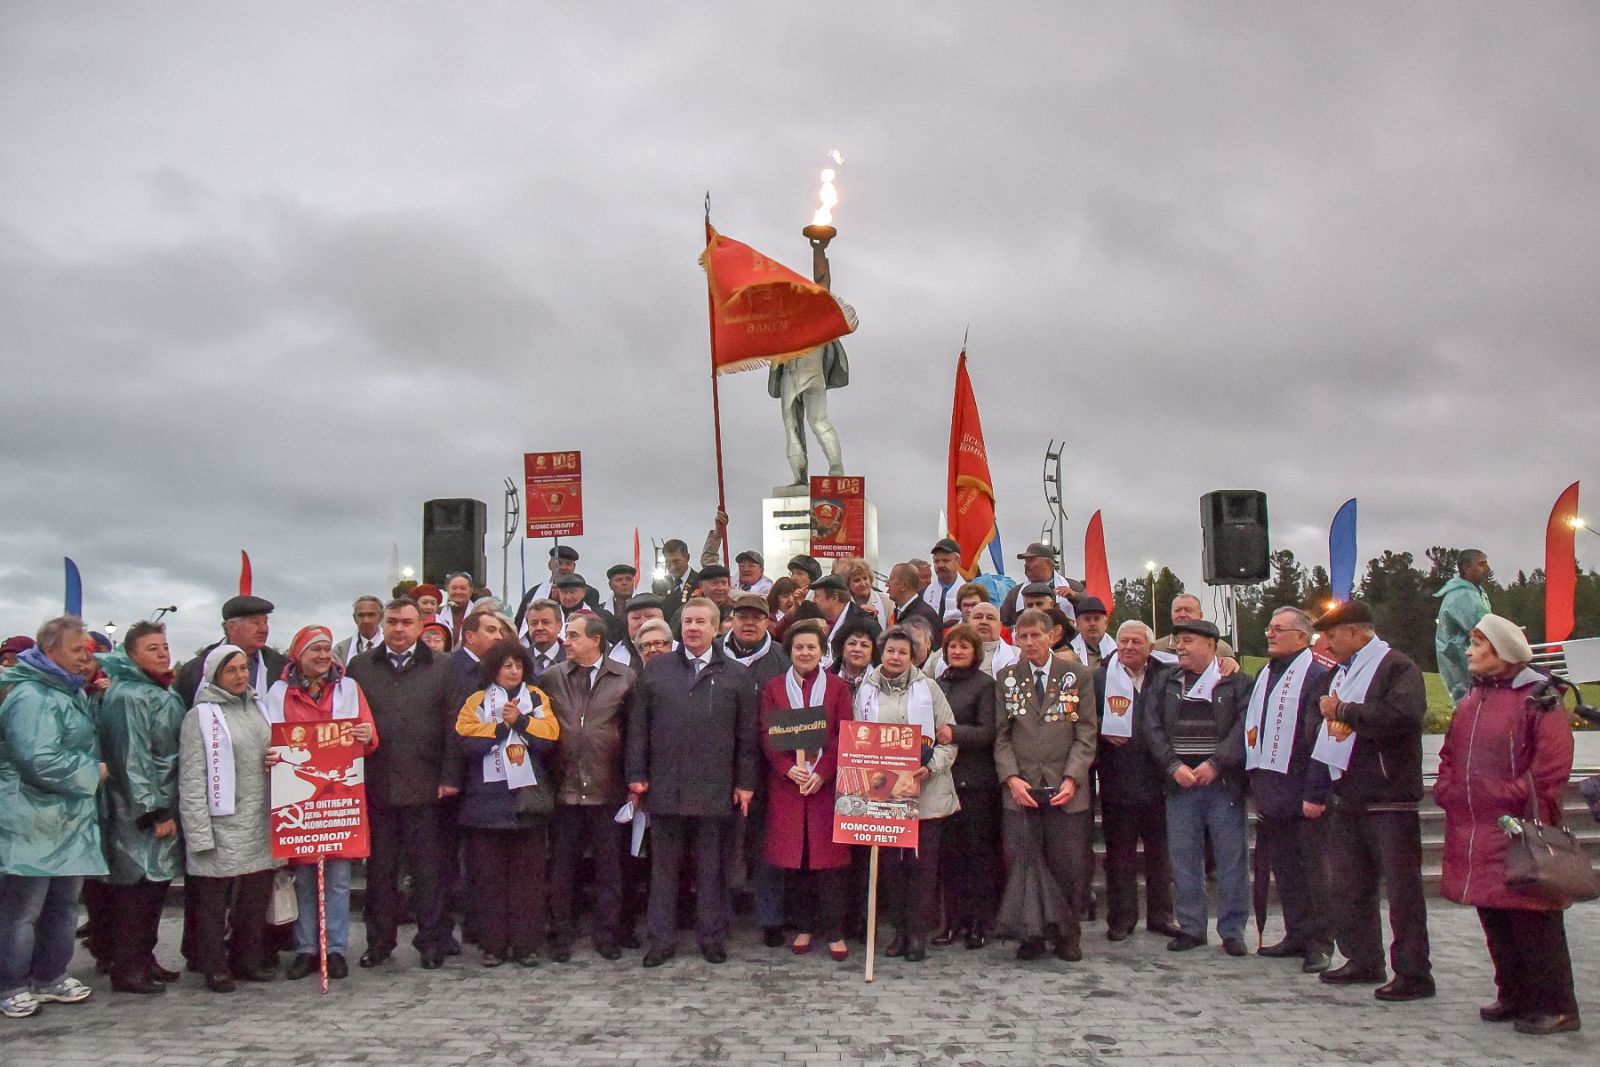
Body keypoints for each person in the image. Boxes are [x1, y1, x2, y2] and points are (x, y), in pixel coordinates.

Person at [1434, 614, 1580, 1035]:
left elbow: (1551, 767)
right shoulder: (1473, 699)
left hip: (1519, 829)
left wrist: (1510, 797)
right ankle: (1514, 994)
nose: (1469, 652)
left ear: (1502, 651)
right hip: (1477, 826)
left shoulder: (1539, 698)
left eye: (1478, 645)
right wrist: (1447, 789)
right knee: (1495, 915)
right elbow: (1449, 754)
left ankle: (1557, 1005)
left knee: (1534, 920)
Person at [1309, 599, 1434, 1001]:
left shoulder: (1396, 666)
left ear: (1356, 632)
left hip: (1389, 797)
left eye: (1332, 636)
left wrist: (1344, 709)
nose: (1327, 645)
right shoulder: (1342, 674)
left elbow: (1404, 715)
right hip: (1349, 794)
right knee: (1350, 885)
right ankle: (1363, 957)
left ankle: (1414, 972)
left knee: (1402, 892)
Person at [626, 598, 758, 967]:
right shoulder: (657, 671)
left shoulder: (736, 675)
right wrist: (636, 775)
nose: (693, 628)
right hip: (666, 786)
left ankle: (711, 936)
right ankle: (661, 940)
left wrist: (745, 782)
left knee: (712, 868)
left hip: (715, 788)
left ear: (718, 628)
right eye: (687, 622)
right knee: (663, 869)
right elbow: (638, 728)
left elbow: (746, 737)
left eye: (701, 621)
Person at [345, 598, 461, 971]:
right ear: (382, 623)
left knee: (429, 872)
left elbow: (453, 726)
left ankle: (431, 941)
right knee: (379, 874)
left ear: (419, 626)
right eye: (392, 621)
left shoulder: (442, 666)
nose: (398, 629)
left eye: (406, 622)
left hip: (426, 787)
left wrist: (449, 776)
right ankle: (379, 942)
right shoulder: (361, 667)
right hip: (377, 785)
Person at [260, 626, 379, 982]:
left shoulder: (349, 689)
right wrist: (266, 756)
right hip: (299, 799)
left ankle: (336, 947)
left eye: (327, 649)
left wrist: (366, 735)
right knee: (306, 878)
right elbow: (266, 737)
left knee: (339, 878)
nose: (324, 655)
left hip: (338, 797)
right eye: (316, 650)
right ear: (299, 654)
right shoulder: (278, 693)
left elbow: (370, 736)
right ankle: (307, 947)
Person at [0, 617, 104, 1017]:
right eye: (77, 650)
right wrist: (91, 772)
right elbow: (36, 759)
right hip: (29, 820)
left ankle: (50, 976)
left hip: (66, 822)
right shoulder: (31, 696)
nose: (85, 658)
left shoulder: (66, 692)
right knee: (21, 910)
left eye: (87, 651)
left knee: (62, 904)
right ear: (49, 650)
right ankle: (10, 983)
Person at [1143, 618, 1252, 956]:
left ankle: (1232, 931)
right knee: (1184, 860)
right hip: (1180, 787)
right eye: (1177, 641)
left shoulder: (1236, 682)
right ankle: (1191, 927)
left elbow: (1244, 727)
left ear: (1211, 645)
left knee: (1231, 860)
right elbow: (1152, 726)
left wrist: (1216, 764)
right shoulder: (1166, 680)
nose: (1179, 648)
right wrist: (1173, 766)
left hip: (1223, 787)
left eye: (1187, 641)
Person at [993, 609, 1097, 962]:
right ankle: (1030, 933)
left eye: (1035, 636)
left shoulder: (1077, 675)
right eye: (1022, 637)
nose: (1029, 643)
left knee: (1067, 865)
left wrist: (1073, 777)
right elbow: (1001, 735)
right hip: (1021, 787)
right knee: (1021, 862)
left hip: (1064, 787)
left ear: (1051, 636)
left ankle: (1068, 935)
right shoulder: (1007, 678)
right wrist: (1011, 778)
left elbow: (1085, 731)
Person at [93, 621, 186, 994]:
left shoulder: (156, 691)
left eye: (164, 646)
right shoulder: (129, 696)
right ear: (130, 654)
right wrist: (153, 811)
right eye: (152, 648)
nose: (163, 653)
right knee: (136, 890)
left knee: (154, 888)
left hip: (161, 800)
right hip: (138, 812)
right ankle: (128, 968)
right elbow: (131, 757)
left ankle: (143, 959)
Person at [854, 626, 957, 963]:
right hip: (884, 796)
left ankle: (917, 934)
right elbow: (859, 740)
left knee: (921, 869)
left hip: (926, 793)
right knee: (891, 870)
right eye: (890, 652)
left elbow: (948, 738)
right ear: (880, 655)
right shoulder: (865, 691)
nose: (895, 657)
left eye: (902, 652)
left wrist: (931, 768)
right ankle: (898, 930)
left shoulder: (929, 689)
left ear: (913, 657)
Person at [177, 644, 276, 993]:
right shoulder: (200, 716)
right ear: (216, 675)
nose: (239, 676)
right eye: (230, 670)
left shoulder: (258, 709)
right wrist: (199, 833)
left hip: (259, 818)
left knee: (253, 899)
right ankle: (214, 964)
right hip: (222, 821)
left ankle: (247, 959)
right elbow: (191, 778)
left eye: (243, 669)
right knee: (213, 903)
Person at [454, 641, 560, 967]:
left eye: (518, 665)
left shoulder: (537, 697)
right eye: (506, 665)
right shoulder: (476, 700)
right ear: (494, 669)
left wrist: (522, 722)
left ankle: (526, 944)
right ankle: (493, 945)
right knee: (489, 880)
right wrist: (502, 727)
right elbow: (466, 740)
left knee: (528, 881)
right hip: (486, 803)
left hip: (526, 803)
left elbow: (550, 737)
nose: (513, 671)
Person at [1245, 608, 1334, 972]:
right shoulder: (1265, 673)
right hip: (1272, 789)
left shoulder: (1316, 675)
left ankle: (1320, 942)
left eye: (1279, 629)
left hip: (1303, 790)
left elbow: (1321, 740)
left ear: (1302, 636)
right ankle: (1297, 933)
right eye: (1269, 628)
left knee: (1314, 871)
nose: (1270, 634)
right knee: (1286, 869)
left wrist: (1316, 791)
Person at [542, 615, 635, 962]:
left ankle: (606, 933)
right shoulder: (552, 677)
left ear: (596, 640)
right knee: (562, 869)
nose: (566, 641)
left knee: (610, 869)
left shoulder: (624, 678)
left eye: (574, 636)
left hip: (607, 787)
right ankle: (560, 933)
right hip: (563, 789)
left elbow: (633, 733)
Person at [758, 621, 852, 961]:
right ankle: (803, 926)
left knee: (830, 864)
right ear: (790, 651)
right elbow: (767, 732)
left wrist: (823, 773)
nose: (805, 652)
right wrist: (787, 768)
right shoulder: (774, 688)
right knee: (796, 862)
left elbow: (845, 733)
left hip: (825, 787)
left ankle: (835, 931)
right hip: (789, 786)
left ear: (822, 651)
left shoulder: (838, 687)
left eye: (812, 647)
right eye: (799, 647)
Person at [1094, 621, 1178, 941]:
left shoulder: (1167, 675)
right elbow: (1087, 716)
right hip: (1119, 780)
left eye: (1136, 642)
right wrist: (1106, 726)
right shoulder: (1101, 678)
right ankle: (1121, 918)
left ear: (1150, 648)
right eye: (1123, 641)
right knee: (1120, 858)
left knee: (1160, 856)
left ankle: (1161, 915)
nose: (1128, 647)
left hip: (1159, 781)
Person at [716, 593, 790, 944]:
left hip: (767, 767)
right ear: (730, 619)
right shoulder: (713, 655)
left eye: (756, 618)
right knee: (717, 844)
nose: (748, 623)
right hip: (717, 765)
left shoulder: (781, 659)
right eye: (742, 616)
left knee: (765, 845)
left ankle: (770, 916)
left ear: (768, 622)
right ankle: (719, 915)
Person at [934, 624, 998, 949]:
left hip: (974, 783)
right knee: (949, 857)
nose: (957, 652)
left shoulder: (985, 685)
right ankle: (951, 922)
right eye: (952, 647)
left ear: (975, 651)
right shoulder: (937, 683)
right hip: (942, 781)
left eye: (964, 647)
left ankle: (978, 922)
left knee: (977, 856)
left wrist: (954, 734)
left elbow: (988, 731)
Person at [175, 595, 287, 707]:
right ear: (232, 627)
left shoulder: (282, 668)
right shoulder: (195, 670)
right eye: (255, 623)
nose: (264, 629)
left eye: (265, 622)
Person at [1433, 549, 1492, 704]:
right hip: (1463, 664)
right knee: (1470, 705)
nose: (1487, 569)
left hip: (1473, 665)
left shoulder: (1477, 592)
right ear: (1466, 568)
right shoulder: (1461, 595)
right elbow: (1483, 629)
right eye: (1481, 564)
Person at [999, 543, 1080, 625]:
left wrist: (1075, 597)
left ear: (1047, 563)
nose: (1026, 565)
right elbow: (1003, 621)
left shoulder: (1073, 587)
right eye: (1026, 561)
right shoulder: (1016, 593)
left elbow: (1089, 610)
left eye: (1031, 560)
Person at [812, 574, 871, 668]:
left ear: (835, 598)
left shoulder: (863, 624)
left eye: (817, 596)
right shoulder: (824, 622)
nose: (813, 601)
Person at [1154, 594, 1236, 661]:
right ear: (1171, 615)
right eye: (1177, 610)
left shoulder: (1221, 649)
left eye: (1188, 610)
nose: (1182, 615)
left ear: (1200, 615)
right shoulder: (1156, 649)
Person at [450, 609, 511, 690]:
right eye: (491, 630)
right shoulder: (448, 666)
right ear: (470, 637)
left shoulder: (495, 669)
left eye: (500, 632)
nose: (499, 637)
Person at [609, 594, 667, 671]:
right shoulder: (613, 656)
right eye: (636, 618)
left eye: (649, 616)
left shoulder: (679, 651)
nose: (643, 622)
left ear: (662, 618)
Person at [828, 615, 880, 694]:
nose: (857, 649)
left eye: (864, 645)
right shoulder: (825, 679)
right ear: (842, 647)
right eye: (852, 643)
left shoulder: (881, 683)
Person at [885, 563, 941, 633]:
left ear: (904, 586)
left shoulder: (924, 616)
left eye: (891, 579)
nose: (887, 584)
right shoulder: (900, 612)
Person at [519, 599, 566, 681]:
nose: (539, 628)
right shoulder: (519, 659)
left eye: (545, 622)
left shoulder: (573, 660)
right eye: (534, 623)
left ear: (559, 626)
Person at [921, 540, 965, 626]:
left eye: (946, 560)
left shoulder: (971, 593)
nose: (940, 565)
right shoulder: (924, 594)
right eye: (937, 561)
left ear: (958, 562)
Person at [333, 596, 384, 665]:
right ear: (354, 618)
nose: (366, 621)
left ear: (381, 617)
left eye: (371, 615)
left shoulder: (393, 645)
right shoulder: (342, 650)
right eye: (361, 615)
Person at [1070, 597, 1115, 670]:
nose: (1092, 623)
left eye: (1097, 619)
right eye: (1087, 619)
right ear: (1078, 624)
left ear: (1106, 623)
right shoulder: (1069, 652)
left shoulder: (1118, 652)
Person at [657, 539, 696, 623]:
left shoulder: (700, 581)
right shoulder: (659, 584)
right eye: (668, 562)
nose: (672, 567)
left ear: (687, 558)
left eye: (676, 561)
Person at [600, 564, 638, 642]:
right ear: (610, 585)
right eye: (619, 580)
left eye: (628, 579)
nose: (624, 583)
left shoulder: (645, 605)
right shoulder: (601, 610)